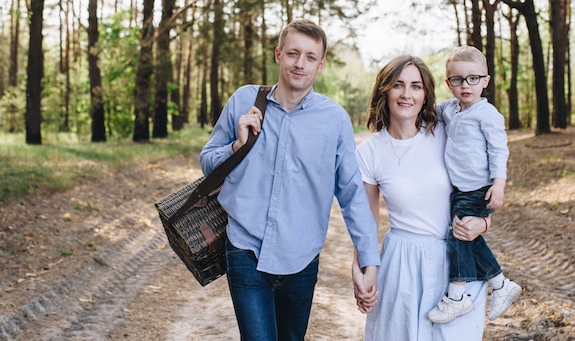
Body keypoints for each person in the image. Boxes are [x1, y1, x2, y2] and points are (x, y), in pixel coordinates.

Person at [199, 19, 380, 341]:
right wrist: (236, 147)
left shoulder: (334, 119)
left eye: (310, 57)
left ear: (320, 65)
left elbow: (352, 194)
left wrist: (368, 260)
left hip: (302, 255)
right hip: (245, 248)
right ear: (278, 54)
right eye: (293, 53)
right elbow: (207, 162)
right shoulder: (244, 101)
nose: (300, 63)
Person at [353, 54, 490, 340]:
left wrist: (485, 224)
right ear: (384, 90)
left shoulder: (447, 132)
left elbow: (482, 188)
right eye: (398, 85)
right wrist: (361, 269)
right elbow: (366, 222)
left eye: (416, 86)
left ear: (426, 93)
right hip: (401, 264)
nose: (406, 94)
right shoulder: (370, 152)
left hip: (456, 263)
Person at [427, 45, 521, 324]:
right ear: (448, 83)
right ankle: (502, 284)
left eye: (473, 78)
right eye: (457, 79)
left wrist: (499, 183)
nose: (465, 85)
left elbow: (498, 150)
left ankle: (457, 295)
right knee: (469, 236)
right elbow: (428, 110)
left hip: (479, 187)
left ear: (486, 81)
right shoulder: (450, 109)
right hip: (461, 189)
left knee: (457, 236)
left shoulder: (487, 113)